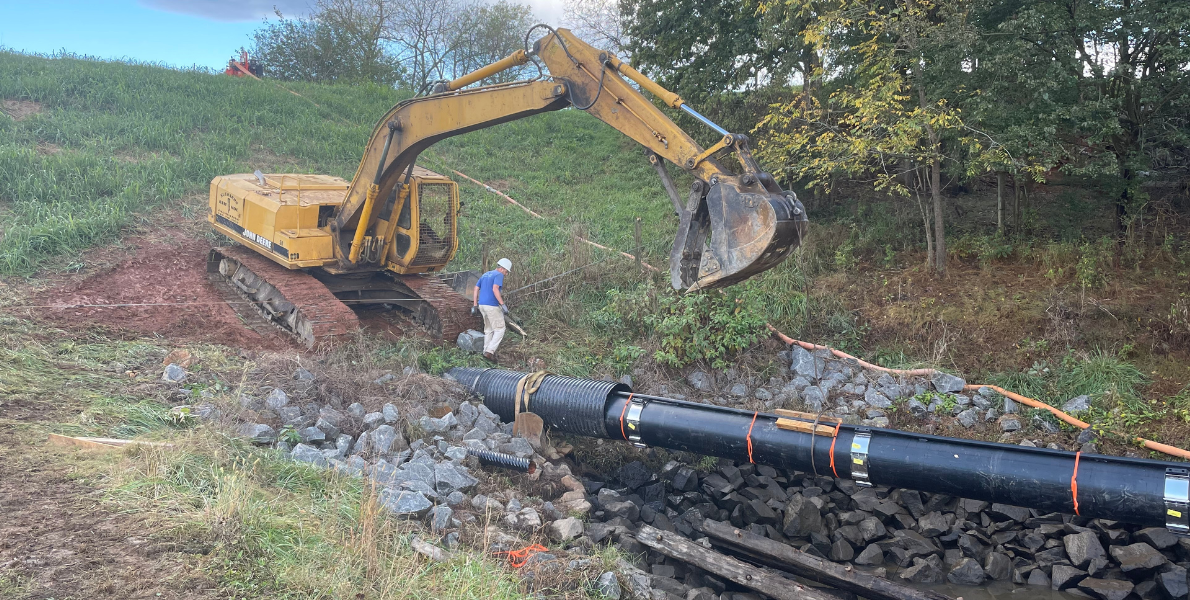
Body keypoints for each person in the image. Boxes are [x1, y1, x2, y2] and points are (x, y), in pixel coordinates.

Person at [472, 258, 511, 360]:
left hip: (482, 305)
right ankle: (490, 351)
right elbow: (495, 289)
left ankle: (485, 351)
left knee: (488, 329)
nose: (506, 274)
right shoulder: (499, 275)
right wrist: (502, 304)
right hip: (492, 306)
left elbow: (476, 289)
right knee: (500, 329)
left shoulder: (486, 274)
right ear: (502, 268)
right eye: (506, 271)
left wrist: (475, 305)